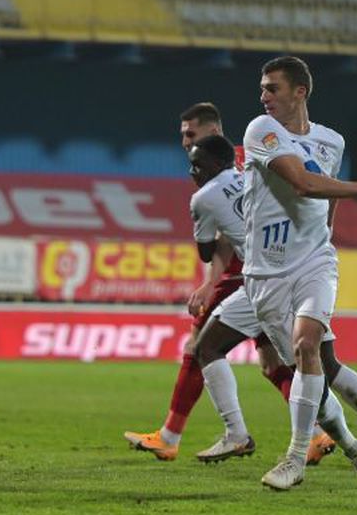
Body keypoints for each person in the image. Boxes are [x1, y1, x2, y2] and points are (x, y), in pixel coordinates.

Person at [192, 61, 357, 473]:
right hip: (264, 276)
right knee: (318, 367)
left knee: (301, 347)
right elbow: (303, 183)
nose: (264, 97)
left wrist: (324, 236)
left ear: (300, 92)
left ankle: (283, 450)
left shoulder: (332, 141)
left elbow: (324, 193)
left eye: (273, 89)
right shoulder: (261, 130)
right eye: (262, 89)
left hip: (312, 263)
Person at [124, 111, 303, 462]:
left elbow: (219, 237)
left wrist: (211, 283)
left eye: (192, 134)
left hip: (248, 273)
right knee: (272, 361)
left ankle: (173, 436)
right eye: (183, 135)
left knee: (200, 347)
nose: (186, 142)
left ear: (215, 131)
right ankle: (318, 431)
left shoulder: (232, 165)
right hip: (267, 270)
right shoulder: (229, 167)